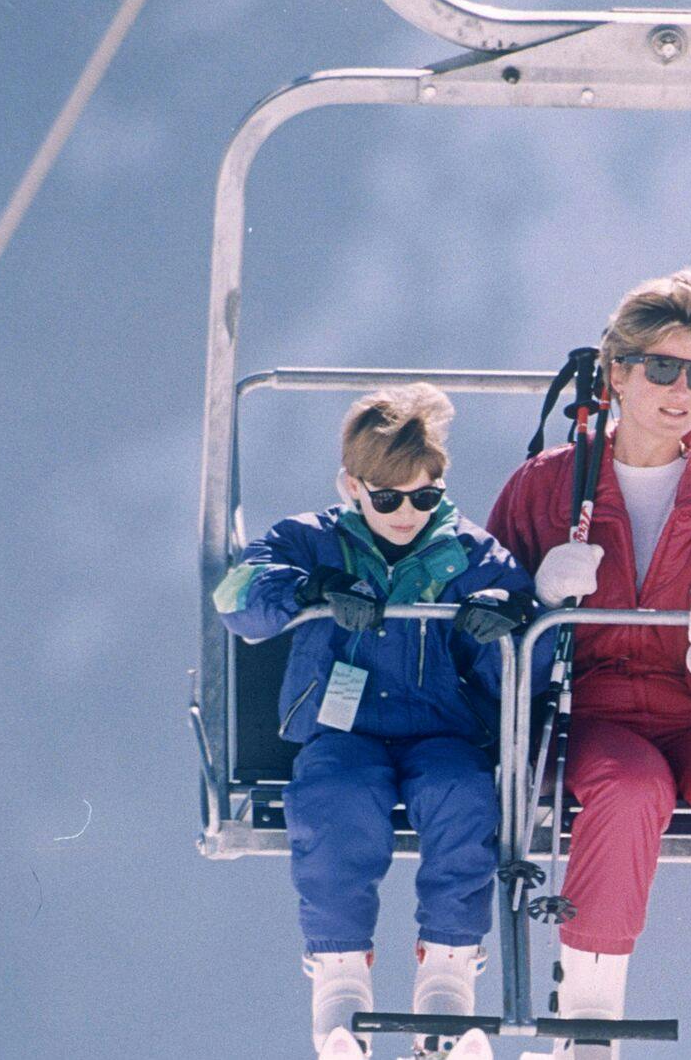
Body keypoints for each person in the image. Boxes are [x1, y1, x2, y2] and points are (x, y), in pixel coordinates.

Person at [487, 270, 691, 1059]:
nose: (680, 390)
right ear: (616, 370)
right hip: (590, 709)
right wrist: (540, 602)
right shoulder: (550, 486)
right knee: (630, 787)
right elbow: (481, 614)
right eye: (662, 367)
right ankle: (589, 1006)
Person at [213, 384, 541, 1060]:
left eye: (424, 496)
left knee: (463, 797)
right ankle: (341, 984)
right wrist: (307, 590)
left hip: (440, 728)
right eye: (386, 497)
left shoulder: (473, 556)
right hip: (346, 729)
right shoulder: (311, 542)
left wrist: (504, 624)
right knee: (334, 802)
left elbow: (534, 657)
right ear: (352, 486)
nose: (405, 513)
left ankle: (446, 979)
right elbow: (234, 597)